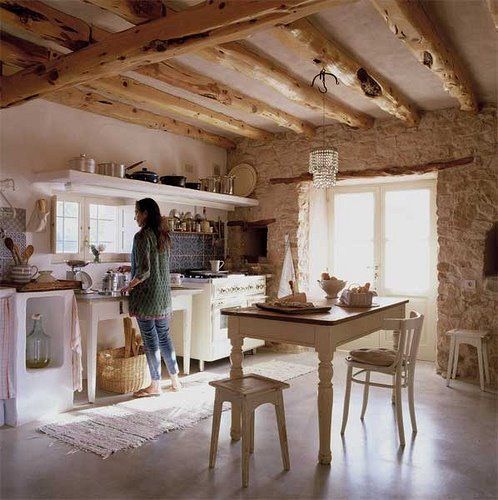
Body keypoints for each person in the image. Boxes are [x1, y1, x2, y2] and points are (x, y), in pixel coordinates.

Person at [120, 197, 181, 396]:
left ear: (145, 213)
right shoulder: (163, 236)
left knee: (150, 342)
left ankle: (155, 386)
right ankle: (175, 381)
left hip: (147, 298)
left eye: (137, 212)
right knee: (164, 338)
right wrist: (131, 267)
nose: (135, 216)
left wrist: (129, 285)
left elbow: (145, 271)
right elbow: (154, 265)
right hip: (163, 297)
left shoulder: (141, 236)